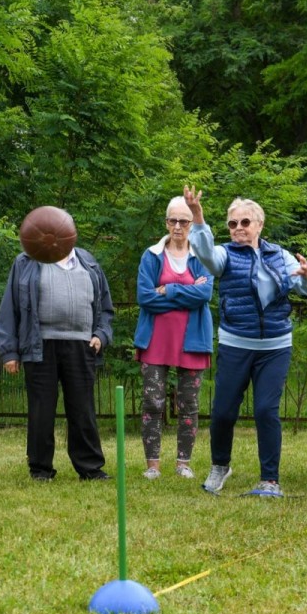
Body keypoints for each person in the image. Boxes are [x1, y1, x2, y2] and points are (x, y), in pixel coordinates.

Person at [187, 188, 307, 497]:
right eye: (232, 223)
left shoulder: (280, 255)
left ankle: (270, 480)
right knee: (223, 411)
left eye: (245, 222)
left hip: (275, 346)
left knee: (266, 410)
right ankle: (220, 465)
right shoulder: (225, 254)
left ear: (260, 225)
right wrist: (197, 216)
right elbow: (205, 254)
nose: (238, 228)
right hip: (236, 343)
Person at [0, 219, 115, 482]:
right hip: (40, 345)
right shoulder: (26, 262)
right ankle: (40, 469)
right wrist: (9, 352)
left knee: (82, 409)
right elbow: (9, 308)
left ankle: (90, 468)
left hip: (82, 345)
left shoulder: (88, 262)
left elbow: (106, 308)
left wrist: (101, 335)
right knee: (41, 409)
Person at [134, 196, 213, 480]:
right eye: (173, 220)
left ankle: (183, 463)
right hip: (155, 340)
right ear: (166, 222)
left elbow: (205, 294)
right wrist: (187, 292)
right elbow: (145, 297)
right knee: (152, 403)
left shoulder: (202, 256)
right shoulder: (151, 255)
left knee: (189, 405)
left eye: (184, 221)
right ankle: (152, 466)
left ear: (192, 224)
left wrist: (167, 290)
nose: (178, 226)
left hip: (193, 340)